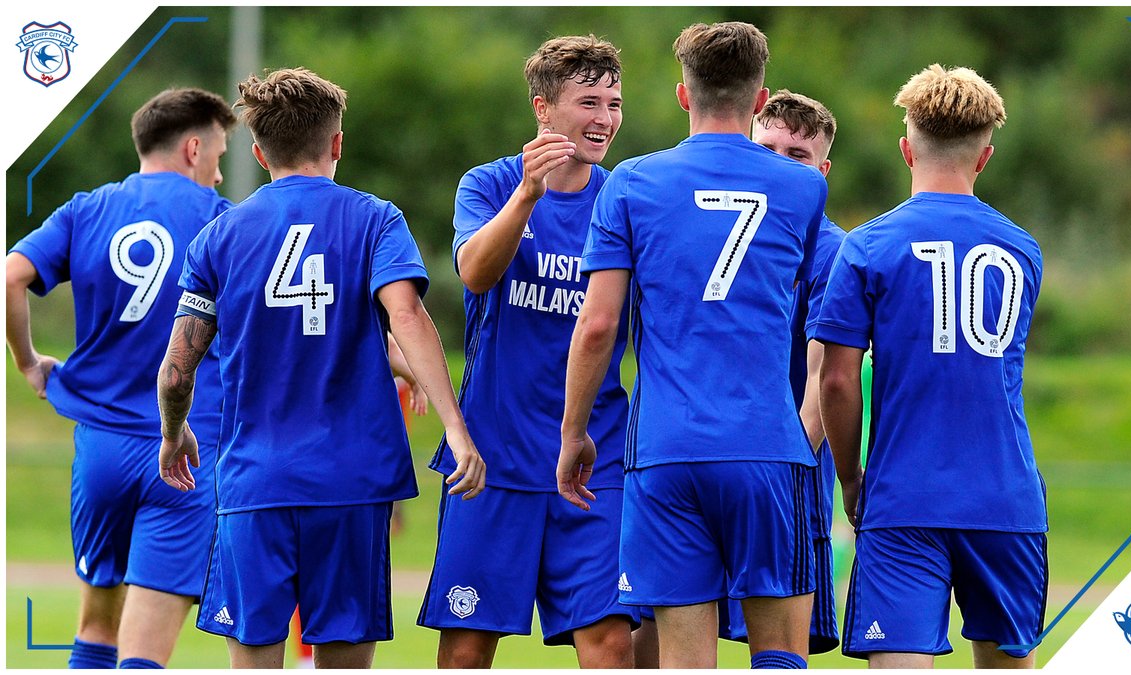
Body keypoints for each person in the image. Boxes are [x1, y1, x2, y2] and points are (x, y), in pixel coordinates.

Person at [156, 67, 485, 669]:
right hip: (352, 484)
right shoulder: (375, 219)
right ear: (337, 143)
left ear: (258, 151)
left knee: (255, 659)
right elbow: (407, 316)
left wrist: (174, 432)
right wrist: (455, 428)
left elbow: (178, 371)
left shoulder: (218, 236)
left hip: (255, 483)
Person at [557, 22, 827, 669]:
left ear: (684, 95)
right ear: (760, 100)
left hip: (667, 451)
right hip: (768, 448)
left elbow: (598, 326)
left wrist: (574, 433)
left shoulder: (631, 183)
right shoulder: (804, 186)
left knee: (683, 662)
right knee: (781, 657)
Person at [813, 64, 1046, 669]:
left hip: (904, 497)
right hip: (1006, 499)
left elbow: (836, 379)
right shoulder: (1023, 248)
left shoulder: (868, 245)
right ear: (985, 157)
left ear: (904, 149)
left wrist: (849, 477)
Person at [416, 35, 636, 668]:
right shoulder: (488, 183)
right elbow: (476, 274)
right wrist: (526, 197)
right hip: (494, 455)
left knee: (612, 641)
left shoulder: (622, 196)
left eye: (614, 102)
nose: (605, 118)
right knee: (465, 649)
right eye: (588, 101)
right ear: (543, 108)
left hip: (598, 455)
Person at [5, 88, 235, 669]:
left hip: (101, 449)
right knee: (144, 652)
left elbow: (11, 276)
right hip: (183, 447)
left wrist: (29, 362)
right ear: (191, 148)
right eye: (218, 153)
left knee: (97, 629)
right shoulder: (220, 221)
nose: (219, 169)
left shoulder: (86, 209)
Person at [717, 89, 847, 657]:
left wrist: (785, 469)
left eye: (796, 155)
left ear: (822, 171)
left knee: (774, 651)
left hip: (782, 474)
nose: (777, 162)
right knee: (660, 634)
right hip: (693, 463)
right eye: (766, 146)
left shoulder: (831, 250)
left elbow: (827, 376)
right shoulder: (706, 222)